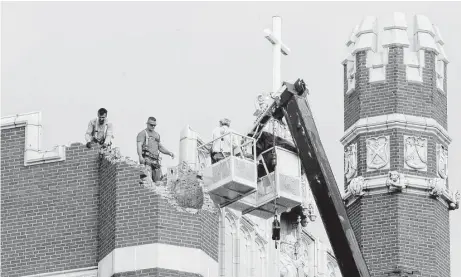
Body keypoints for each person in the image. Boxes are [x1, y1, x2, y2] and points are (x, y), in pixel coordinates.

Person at [137, 117, 175, 182]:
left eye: (154, 125)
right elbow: (139, 145)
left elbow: (160, 147)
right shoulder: (142, 133)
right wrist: (140, 156)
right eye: (151, 125)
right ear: (147, 124)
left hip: (156, 162)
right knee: (147, 182)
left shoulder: (157, 135)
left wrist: (169, 153)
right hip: (147, 161)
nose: (153, 126)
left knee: (158, 183)